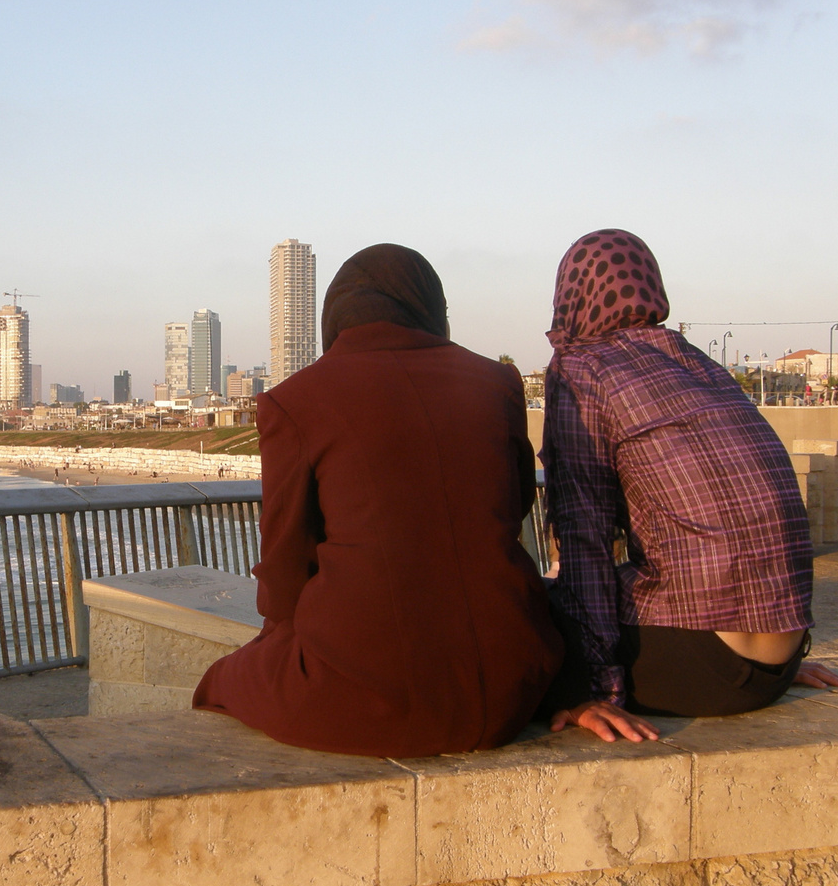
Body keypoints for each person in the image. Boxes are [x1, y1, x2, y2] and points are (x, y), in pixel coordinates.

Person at [193, 244, 563, 758]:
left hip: (374, 695)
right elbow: (515, 503)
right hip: (512, 683)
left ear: (337, 314)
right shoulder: (495, 383)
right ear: (429, 304)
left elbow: (282, 571)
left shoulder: (295, 401)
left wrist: (284, 636)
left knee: (222, 681)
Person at [540, 229, 838, 743]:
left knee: (531, 599)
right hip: (779, 661)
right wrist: (783, 671)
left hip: (697, 671)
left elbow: (583, 535)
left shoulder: (581, 367)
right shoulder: (698, 364)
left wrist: (592, 690)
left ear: (571, 292)